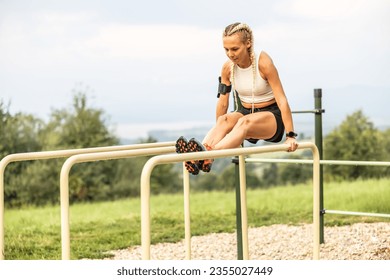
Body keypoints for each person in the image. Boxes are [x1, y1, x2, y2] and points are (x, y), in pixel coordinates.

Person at [176, 22, 298, 175]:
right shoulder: (228, 68)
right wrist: (221, 133)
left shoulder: (263, 62)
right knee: (224, 120)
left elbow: (282, 100)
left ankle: (207, 156)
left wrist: (290, 135)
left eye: (234, 49)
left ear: (248, 43)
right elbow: (222, 103)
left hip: (271, 116)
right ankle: (202, 154)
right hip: (245, 111)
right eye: (226, 49)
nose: (230, 54)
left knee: (244, 122)